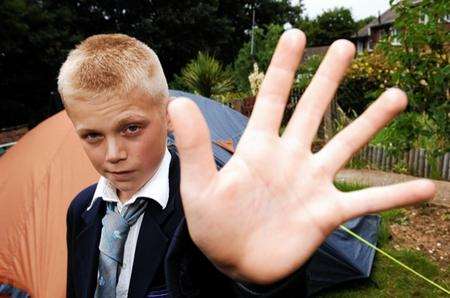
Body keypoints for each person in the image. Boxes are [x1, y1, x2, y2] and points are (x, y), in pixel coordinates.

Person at [60, 31, 435, 298]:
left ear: (168, 114)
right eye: (92, 135)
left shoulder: (215, 211)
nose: (112, 154)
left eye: (131, 128)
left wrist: (263, 284)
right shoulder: (80, 210)